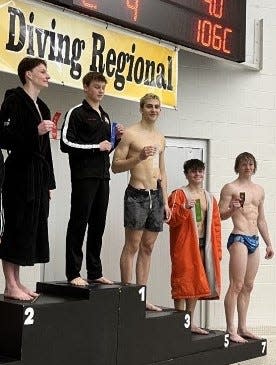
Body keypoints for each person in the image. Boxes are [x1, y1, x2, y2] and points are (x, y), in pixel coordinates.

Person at [60, 71, 124, 286]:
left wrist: (116, 140)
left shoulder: (105, 115)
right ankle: (73, 272)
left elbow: (105, 149)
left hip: (102, 176)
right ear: (86, 87)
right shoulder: (76, 113)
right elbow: (66, 144)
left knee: (98, 223)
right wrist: (96, 147)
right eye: (97, 87)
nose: (101, 91)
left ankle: (95, 271)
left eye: (103, 87)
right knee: (79, 222)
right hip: (83, 176)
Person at [0, 57, 55, 301]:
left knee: (28, 229)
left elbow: (46, 150)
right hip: (18, 173)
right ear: (28, 74)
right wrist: (35, 132)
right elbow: (3, 137)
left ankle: (17, 282)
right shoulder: (13, 101)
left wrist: (49, 183)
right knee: (15, 225)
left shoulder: (41, 107)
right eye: (43, 71)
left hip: (38, 174)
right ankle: (9, 284)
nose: (48, 75)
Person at [111, 93, 171, 311]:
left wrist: (165, 201)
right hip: (136, 193)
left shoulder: (160, 137)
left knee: (148, 247)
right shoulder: (130, 134)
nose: (153, 110)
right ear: (141, 108)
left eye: (157, 107)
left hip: (155, 195)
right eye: (149, 106)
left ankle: (141, 297)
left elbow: (162, 171)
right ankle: (128, 295)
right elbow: (115, 166)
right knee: (133, 245)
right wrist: (139, 158)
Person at [219, 152, 274, 343]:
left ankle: (243, 327)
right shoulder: (230, 187)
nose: (248, 167)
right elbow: (220, 215)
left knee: (248, 286)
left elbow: (261, 219)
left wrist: (269, 243)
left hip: (255, 240)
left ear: (254, 167)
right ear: (238, 166)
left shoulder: (259, 190)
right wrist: (233, 208)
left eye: (251, 164)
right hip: (239, 237)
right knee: (236, 285)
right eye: (244, 164)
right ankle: (230, 329)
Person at [168, 159, 221, 334]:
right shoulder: (178, 194)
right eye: (193, 171)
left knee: (196, 283)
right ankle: (179, 322)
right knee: (183, 282)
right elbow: (170, 220)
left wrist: (217, 251)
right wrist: (183, 208)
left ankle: (190, 321)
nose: (197, 174)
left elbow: (215, 226)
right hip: (184, 246)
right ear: (186, 174)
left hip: (204, 245)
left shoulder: (209, 197)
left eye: (200, 171)